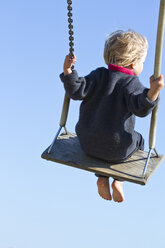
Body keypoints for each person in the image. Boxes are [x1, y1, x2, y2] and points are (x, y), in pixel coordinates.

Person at [60, 29, 164, 203]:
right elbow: (141, 108)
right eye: (143, 62)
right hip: (118, 150)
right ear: (133, 63)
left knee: (102, 138)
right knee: (138, 140)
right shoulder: (132, 83)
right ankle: (119, 180)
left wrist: (68, 71)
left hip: (87, 142)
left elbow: (76, 91)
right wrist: (152, 92)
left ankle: (101, 178)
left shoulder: (98, 75)